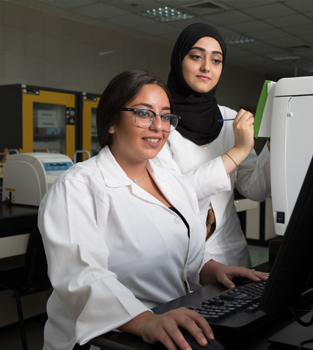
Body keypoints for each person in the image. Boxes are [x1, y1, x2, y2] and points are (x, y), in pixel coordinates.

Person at [38, 70, 268, 350]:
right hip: (114, 337)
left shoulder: (170, 180)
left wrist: (217, 270)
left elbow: (188, 255)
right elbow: (82, 278)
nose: (159, 126)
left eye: (166, 116)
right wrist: (145, 321)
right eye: (144, 114)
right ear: (111, 122)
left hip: (171, 319)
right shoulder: (77, 187)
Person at [154, 23, 272, 268]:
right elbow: (175, 195)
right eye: (196, 56)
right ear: (179, 60)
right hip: (179, 257)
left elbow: (255, 190)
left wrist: (273, 142)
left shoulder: (232, 120)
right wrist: (237, 151)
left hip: (231, 254)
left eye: (216, 60)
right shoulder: (159, 122)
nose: (206, 67)